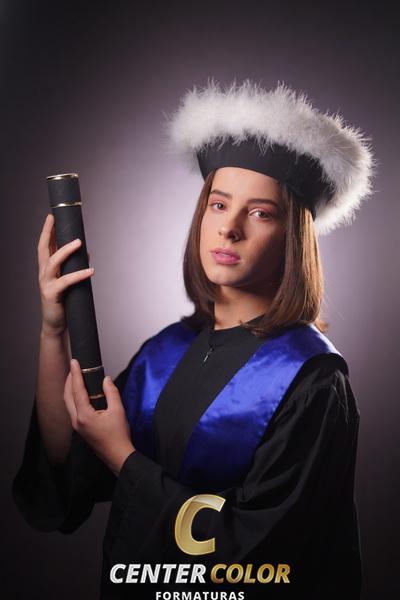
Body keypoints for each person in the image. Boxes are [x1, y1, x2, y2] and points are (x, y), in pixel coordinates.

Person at [12, 79, 375, 599]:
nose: (230, 229)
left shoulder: (311, 379)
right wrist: (54, 330)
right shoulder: (166, 352)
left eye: (260, 212)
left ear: (293, 237)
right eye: (219, 205)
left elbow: (263, 557)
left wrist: (123, 458)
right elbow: (69, 467)